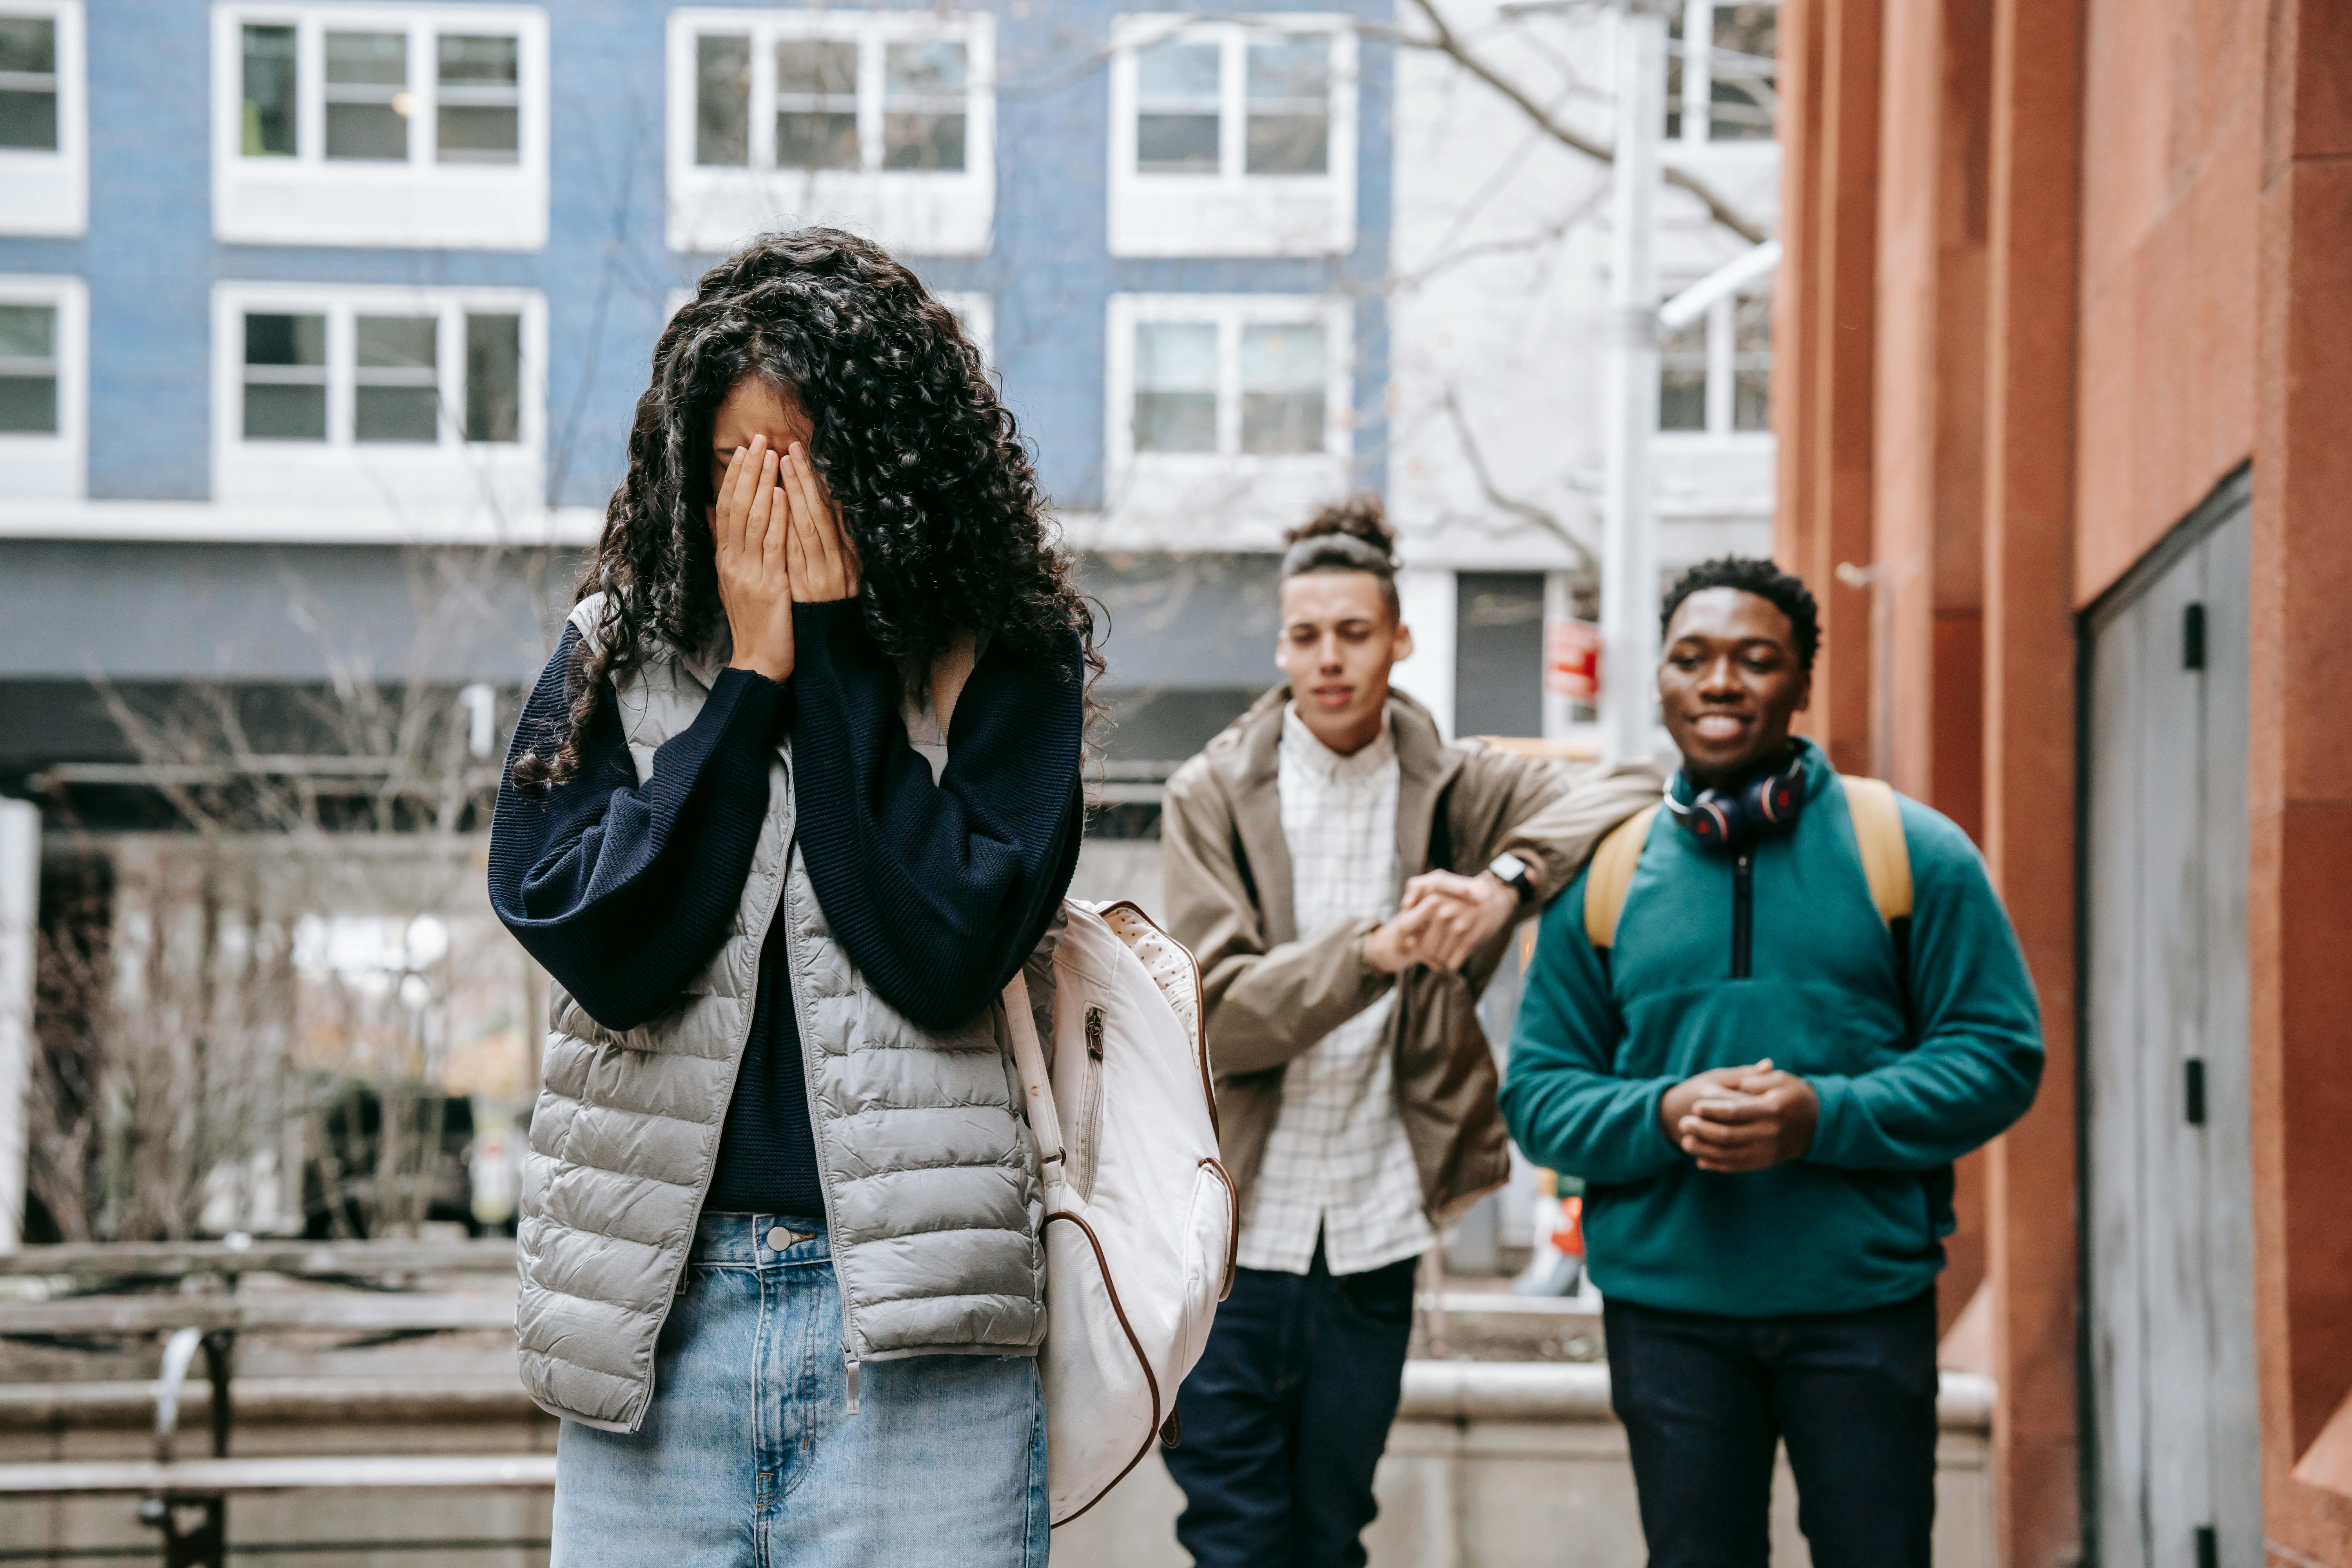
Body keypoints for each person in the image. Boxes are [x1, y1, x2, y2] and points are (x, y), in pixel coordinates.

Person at [486, 229, 1091, 1568]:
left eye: (801, 465)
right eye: (728, 468)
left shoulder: (1009, 655)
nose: (761, 502)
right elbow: (600, 942)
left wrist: (829, 661)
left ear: (890, 468)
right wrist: (748, 682)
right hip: (656, 1314)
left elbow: (933, 947)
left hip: (916, 1339)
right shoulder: (618, 647)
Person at [1500, 556, 2044, 1568]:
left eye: (1756, 659)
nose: (1720, 682)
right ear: (1658, 679)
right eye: (1691, 658)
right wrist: (1662, 1116)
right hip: (1669, 1320)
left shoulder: (1912, 851)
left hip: (1863, 1308)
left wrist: (1821, 1116)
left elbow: (2000, 1053)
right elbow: (1538, 1096)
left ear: (1802, 683)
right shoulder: (1607, 879)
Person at [1157, 498, 1663, 1568]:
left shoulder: (1458, 783)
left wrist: (1503, 885)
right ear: (1282, 646)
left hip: (1376, 1227)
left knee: (1335, 1533)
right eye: (1306, 635)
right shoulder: (1210, 791)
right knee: (1234, 1536)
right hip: (1233, 1232)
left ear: (1401, 637)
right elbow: (1222, 1023)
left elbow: (1632, 785)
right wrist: (1375, 952)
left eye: (1354, 632)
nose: (1329, 659)